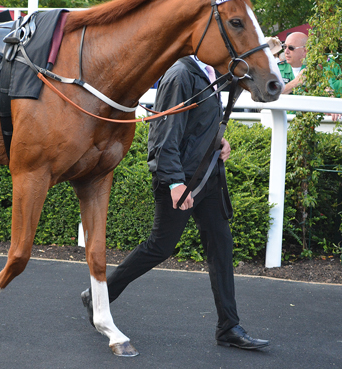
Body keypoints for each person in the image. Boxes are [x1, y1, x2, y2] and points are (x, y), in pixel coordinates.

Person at [81, 56, 270, 351]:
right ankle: (97, 297)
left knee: (221, 246)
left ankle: (228, 327)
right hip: (181, 181)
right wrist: (174, 182)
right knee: (160, 247)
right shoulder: (181, 74)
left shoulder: (210, 72)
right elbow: (162, 134)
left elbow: (195, 124)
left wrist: (219, 141)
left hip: (208, 178)